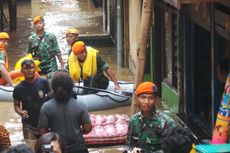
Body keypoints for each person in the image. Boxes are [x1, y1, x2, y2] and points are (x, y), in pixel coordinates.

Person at [38, 71, 92, 153]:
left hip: (57, 148)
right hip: (78, 147)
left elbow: (42, 132)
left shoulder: (46, 107)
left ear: (53, 87)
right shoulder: (80, 105)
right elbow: (87, 129)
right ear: (71, 87)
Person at [125, 82, 175, 153]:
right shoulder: (133, 120)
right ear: (137, 98)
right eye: (143, 97)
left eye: (151, 98)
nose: (146, 102)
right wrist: (130, 151)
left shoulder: (166, 122)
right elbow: (129, 144)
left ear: (156, 100)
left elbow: (172, 150)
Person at [13, 59, 51, 147]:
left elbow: (51, 98)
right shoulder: (18, 88)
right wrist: (20, 112)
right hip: (28, 125)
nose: (29, 70)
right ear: (22, 71)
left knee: (47, 149)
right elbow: (16, 105)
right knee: (31, 149)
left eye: (31, 68)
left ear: (35, 69)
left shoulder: (44, 82)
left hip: (45, 123)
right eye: (26, 68)